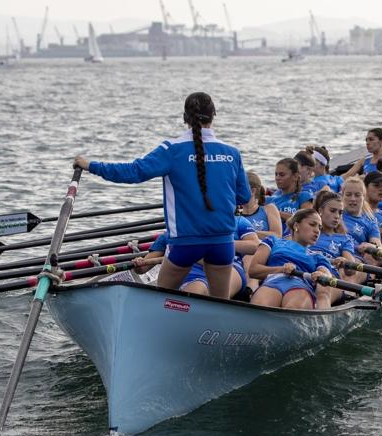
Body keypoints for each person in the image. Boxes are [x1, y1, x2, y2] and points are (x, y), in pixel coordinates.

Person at [73, 92, 251, 299]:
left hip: (185, 243)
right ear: (214, 115)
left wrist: (90, 165)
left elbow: (134, 172)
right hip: (223, 242)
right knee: (222, 304)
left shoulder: (171, 149)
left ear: (185, 118)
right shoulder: (232, 152)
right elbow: (243, 197)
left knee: (162, 302)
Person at [134, 215, 259, 298]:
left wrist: (222, 244)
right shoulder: (170, 234)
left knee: (197, 291)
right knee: (193, 291)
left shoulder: (237, 221)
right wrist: (138, 264)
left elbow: (254, 246)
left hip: (228, 267)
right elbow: (143, 268)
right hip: (190, 272)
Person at [249, 208, 333, 310]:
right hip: (272, 282)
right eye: (312, 224)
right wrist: (281, 269)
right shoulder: (273, 240)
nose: (317, 231)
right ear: (296, 226)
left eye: (319, 227)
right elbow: (253, 270)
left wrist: (322, 274)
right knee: (260, 308)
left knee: (293, 308)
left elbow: (326, 274)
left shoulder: (318, 256)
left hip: (300, 285)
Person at [311, 191, 366, 304]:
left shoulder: (344, 239)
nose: (337, 216)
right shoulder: (306, 232)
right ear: (320, 211)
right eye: (332, 211)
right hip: (306, 272)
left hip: (329, 280)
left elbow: (351, 270)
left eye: (340, 212)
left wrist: (345, 262)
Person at [341, 176, 382, 264]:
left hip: (355, 259)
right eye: (348, 194)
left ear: (364, 197)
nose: (353, 199)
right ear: (342, 196)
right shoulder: (335, 215)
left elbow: (380, 252)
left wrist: (372, 247)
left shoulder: (370, 221)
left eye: (357, 195)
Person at [266, 158, 313, 236]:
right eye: (276, 174)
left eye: (282, 175)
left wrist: (276, 213)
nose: (277, 178)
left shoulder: (304, 196)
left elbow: (307, 221)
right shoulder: (269, 200)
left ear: (295, 176)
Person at [240, 171, 283, 239]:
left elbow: (277, 235)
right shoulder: (234, 212)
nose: (235, 192)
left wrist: (247, 233)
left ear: (252, 191)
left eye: (239, 188)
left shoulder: (269, 209)